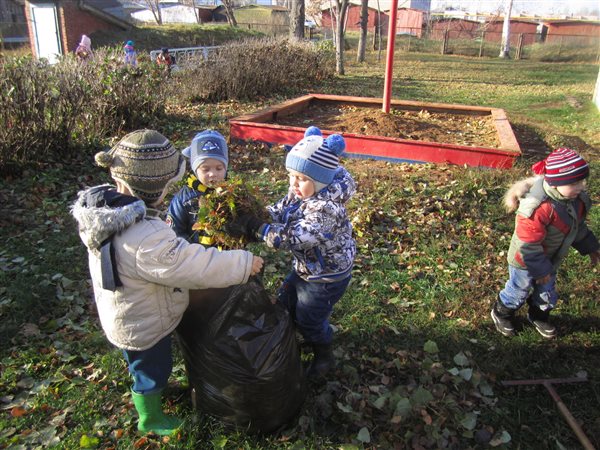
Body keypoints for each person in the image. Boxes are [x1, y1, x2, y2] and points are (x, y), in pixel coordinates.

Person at [70, 129, 263, 436]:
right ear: (157, 189)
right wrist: (242, 262)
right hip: (143, 324)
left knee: (144, 364)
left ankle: (151, 392)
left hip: (129, 311)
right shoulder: (145, 238)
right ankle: (151, 418)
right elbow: (193, 265)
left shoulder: (110, 211)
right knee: (149, 370)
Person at [227, 126, 356, 378]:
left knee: (309, 318)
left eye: (301, 178)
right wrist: (259, 215)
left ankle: (323, 351)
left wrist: (260, 229)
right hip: (307, 268)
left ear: (320, 180)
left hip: (327, 277)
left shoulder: (326, 209)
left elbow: (296, 237)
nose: (294, 184)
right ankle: (294, 335)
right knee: (285, 301)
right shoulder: (303, 190)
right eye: (291, 175)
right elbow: (282, 210)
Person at [491, 148, 600, 339]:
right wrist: (540, 270)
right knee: (519, 290)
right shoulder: (538, 208)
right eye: (574, 183)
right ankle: (502, 312)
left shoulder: (573, 201)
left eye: (582, 181)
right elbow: (529, 244)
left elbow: (576, 227)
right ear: (556, 182)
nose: (581, 187)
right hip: (525, 260)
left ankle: (538, 316)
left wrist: (591, 246)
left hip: (550, 258)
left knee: (546, 291)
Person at [166, 130, 228, 245]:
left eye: (219, 168)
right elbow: (174, 231)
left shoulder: (231, 193)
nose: (212, 174)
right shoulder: (184, 199)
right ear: (195, 170)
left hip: (228, 256)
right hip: (195, 257)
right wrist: (191, 250)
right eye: (205, 169)